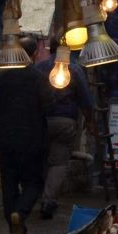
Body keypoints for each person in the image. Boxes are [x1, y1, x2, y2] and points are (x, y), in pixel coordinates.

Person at [0, 34, 54, 234]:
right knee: (34, 182)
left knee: (9, 185)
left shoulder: (3, 78)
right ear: (34, 54)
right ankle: (20, 212)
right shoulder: (38, 78)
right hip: (32, 142)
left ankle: (15, 230)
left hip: (5, 142)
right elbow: (49, 107)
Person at [33, 40, 94, 219]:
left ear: (50, 49)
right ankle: (48, 201)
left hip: (41, 121)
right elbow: (86, 100)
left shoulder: (39, 68)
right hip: (65, 122)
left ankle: (32, 196)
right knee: (58, 163)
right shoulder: (74, 69)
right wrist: (90, 121)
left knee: (41, 159)